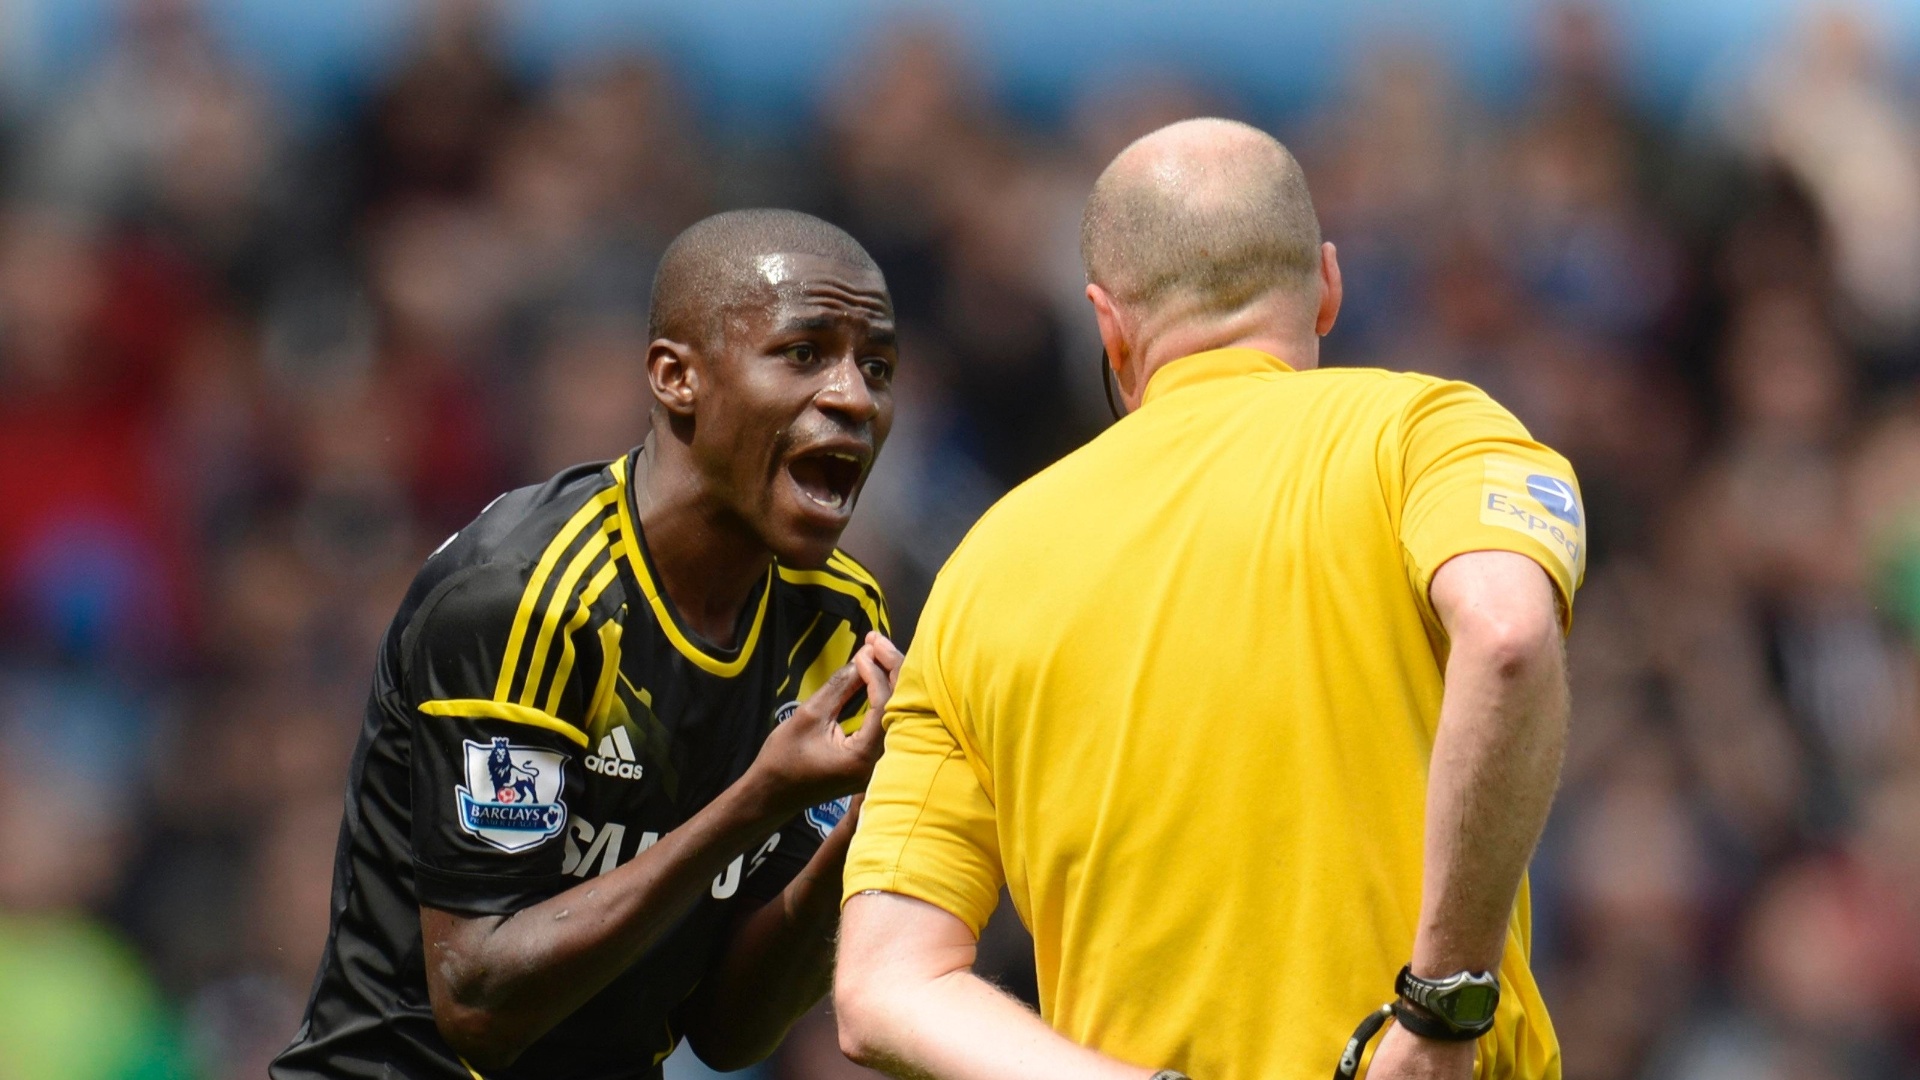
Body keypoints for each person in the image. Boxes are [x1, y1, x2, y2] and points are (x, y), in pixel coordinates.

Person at [833, 118, 1579, 1080]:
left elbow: (884, 987)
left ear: (1109, 323)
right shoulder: (1425, 435)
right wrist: (1440, 1002)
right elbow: (1511, 634)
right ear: (1327, 286)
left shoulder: (986, 566)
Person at [272, 208, 905, 1080]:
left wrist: (872, 827)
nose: (855, 397)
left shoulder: (835, 623)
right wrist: (757, 801)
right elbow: (478, 1004)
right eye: (804, 354)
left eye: (876, 366)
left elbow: (728, 1032)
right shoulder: (527, 600)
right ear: (677, 378)